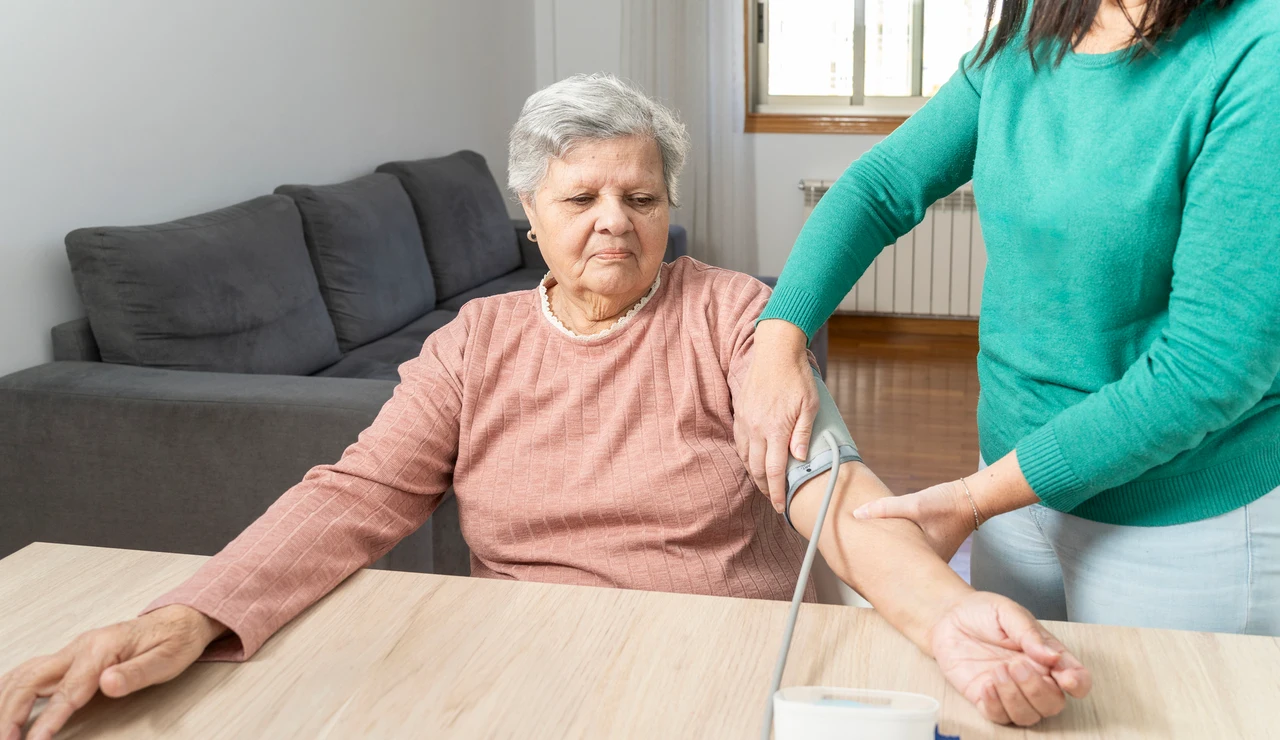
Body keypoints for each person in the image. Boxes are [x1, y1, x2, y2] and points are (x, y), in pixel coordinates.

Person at [0, 74, 1089, 740]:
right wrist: (187, 614)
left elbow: (827, 488)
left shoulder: (733, 315)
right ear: (529, 212)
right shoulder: (474, 342)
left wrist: (944, 615)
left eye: (641, 197)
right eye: (581, 197)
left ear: (669, 206)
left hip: (714, 654)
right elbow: (355, 494)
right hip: (522, 660)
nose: (614, 221)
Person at [736, 0, 1280, 636]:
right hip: (1011, 497)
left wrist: (975, 499)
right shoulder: (1025, 37)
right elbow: (880, 186)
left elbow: (1209, 369)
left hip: (1179, 522)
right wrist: (779, 338)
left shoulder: (1256, 49)